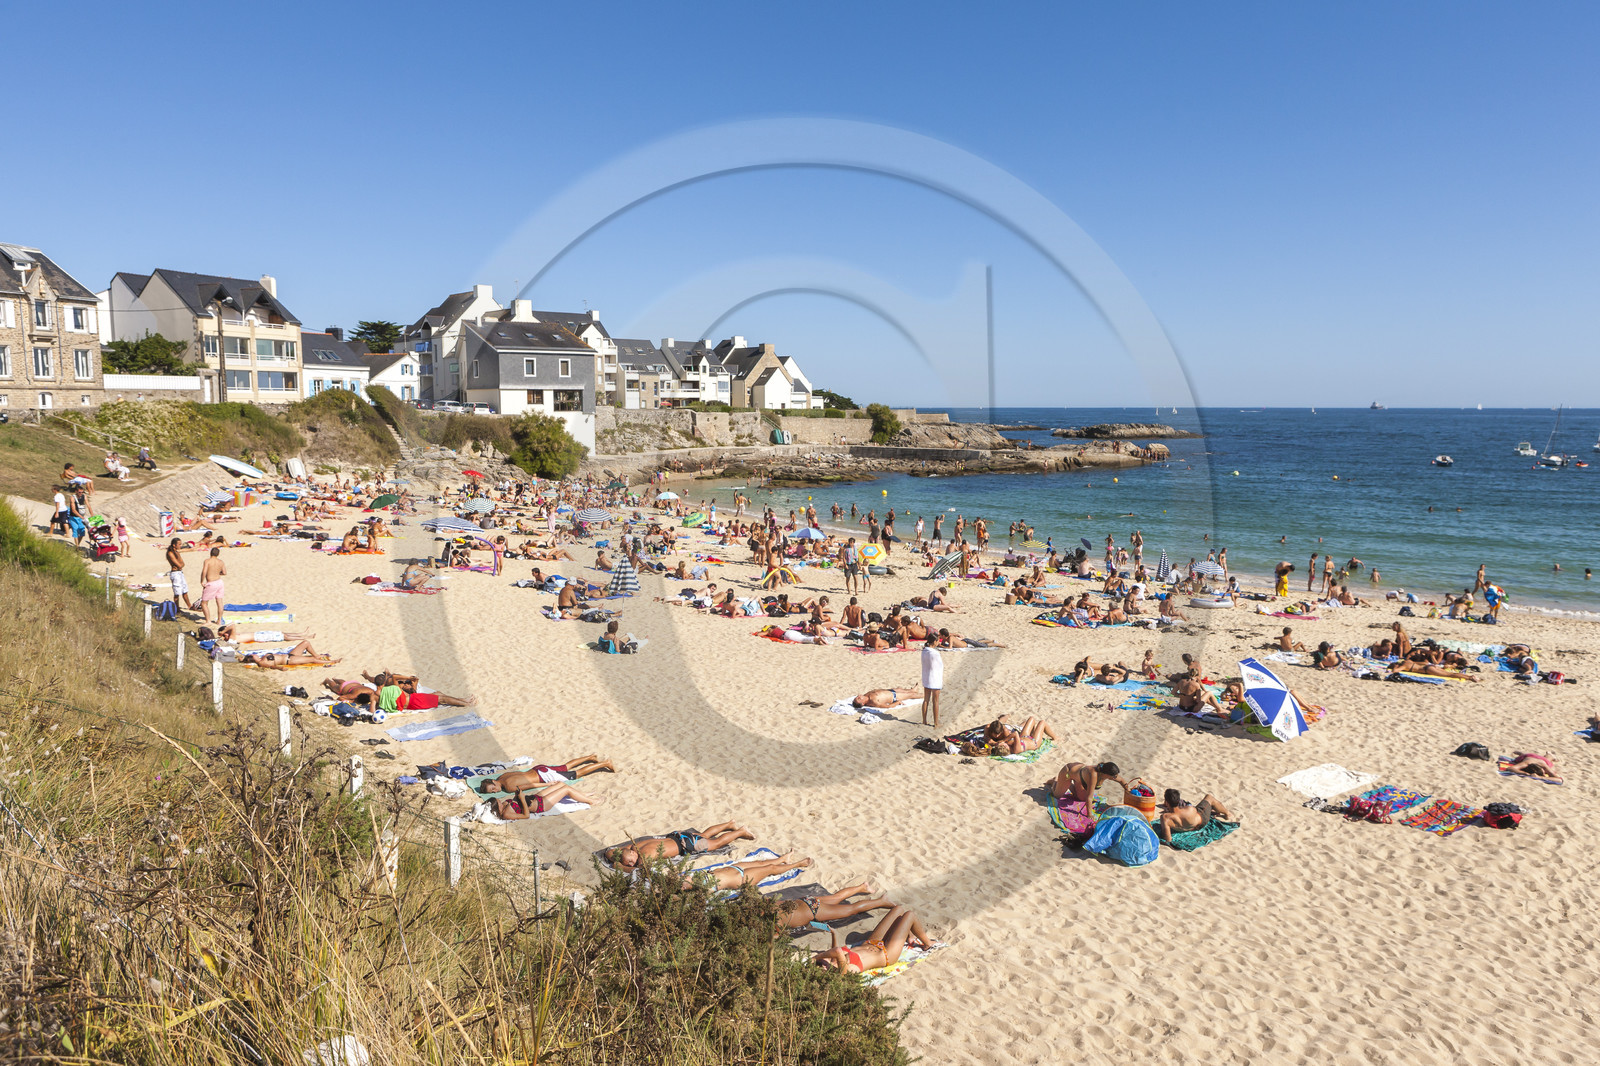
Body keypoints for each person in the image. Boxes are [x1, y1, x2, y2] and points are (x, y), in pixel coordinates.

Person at [812, 905, 932, 974]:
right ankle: (927, 943)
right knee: (909, 915)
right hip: (886, 954)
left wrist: (833, 933)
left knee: (898, 909)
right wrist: (815, 958)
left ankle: (910, 935)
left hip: (871, 942)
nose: (823, 966)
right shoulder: (843, 972)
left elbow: (834, 950)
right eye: (822, 969)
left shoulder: (831, 960)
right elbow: (838, 951)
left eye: (820, 965)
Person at [604, 823, 756, 871]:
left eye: (630, 861)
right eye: (628, 863)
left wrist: (619, 866)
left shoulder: (644, 855)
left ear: (632, 853)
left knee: (716, 844)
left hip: (688, 845)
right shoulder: (634, 846)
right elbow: (609, 852)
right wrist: (619, 858)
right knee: (703, 835)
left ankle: (740, 831)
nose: (631, 863)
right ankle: (729, 824)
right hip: (678, 836)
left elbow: (642, 871)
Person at [778, 883, 897, 930]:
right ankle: (862, 887)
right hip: (803, 901)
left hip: (814, 911)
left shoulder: (773, 922)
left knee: (852, 909)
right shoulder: (767, 904)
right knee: (835, 898)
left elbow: (777, 935)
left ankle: (882, 901)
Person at [476, 756, 616, 793]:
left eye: (492, 788)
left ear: (493, 782)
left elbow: (530, 785)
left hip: (543, 777)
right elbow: (519, 773)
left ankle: (605, 763)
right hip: (538, 769)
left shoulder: (508, 787)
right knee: (565, 766)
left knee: (576, 774)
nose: (495, 791)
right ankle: (590, 756)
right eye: (493, 792)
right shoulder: (502, 777)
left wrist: (547, 784)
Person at [492, 781, 606, 820]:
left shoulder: (505, 807)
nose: (501, 803)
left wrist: (517, 797)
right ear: (497, 808)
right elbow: (526, 815)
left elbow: (517, 804)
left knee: (561, 784)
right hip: (541, 805)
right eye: (499, 803)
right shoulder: (506, 814)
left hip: (535, 797)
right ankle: (591, 802)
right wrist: (521, 799)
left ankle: (582, 795)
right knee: (566, 789)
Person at [1155, 788, 1237, 843]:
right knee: (1209, 797)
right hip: (1201, 822)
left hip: (1186, 829)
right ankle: (1227, 813)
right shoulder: (1189, 809)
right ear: (1178, 800)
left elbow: (1168, 839)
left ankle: (1225, 813)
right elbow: (1197, 812)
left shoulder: (1165, 818)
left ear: (1167, 802)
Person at [1050, 761, 1127, 801]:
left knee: (1081, 798)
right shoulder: (1093, 775)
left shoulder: (1108, 773)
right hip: (1068, 771)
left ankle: (1067, 784)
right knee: (1056, 796)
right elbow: (1089, 798)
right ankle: (1055, 781)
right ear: (1106, 774)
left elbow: (1122, 781)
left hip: (1079, 775)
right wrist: (1090, 815)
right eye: (1113, 776)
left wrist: (1128, 790)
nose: (1115, 778)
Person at [919, 635, 943, 728]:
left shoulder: (924, 651)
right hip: (935, 677)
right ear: (935, 641)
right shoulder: (934, 653)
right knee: (935, 701)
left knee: (926, 699)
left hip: (926, 676)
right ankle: (936, 723)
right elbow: (939, 665)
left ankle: (924, 720)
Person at [165, 537, 194, 613]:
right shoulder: (170, 553)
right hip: (175, 573)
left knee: (185, 590)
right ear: (174, 545)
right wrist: (180, 565)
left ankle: (189, 605)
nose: (180, 545)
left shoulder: (176, 552)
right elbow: (179, 564)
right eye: (179, 544)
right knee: (177, 592)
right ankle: (177, 608)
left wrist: (180, 565)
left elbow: (182, 564)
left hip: (180, 572)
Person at [199, 546, 227, 624]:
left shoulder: (207, 561)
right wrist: (217, 572)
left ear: (210, 553)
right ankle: (219, 620)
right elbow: (224, 572)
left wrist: (202, 581)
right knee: (219, 602)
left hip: (211, 583)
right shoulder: (221, 562)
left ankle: (208, 620)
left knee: (204, 603)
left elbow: (204, 571)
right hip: (219, 582)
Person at [850, 684, 925, 709]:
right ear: (863, 704)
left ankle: (913, 690)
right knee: (912, 695)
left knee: (902, 689)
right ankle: (927, 694)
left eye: (857, 697)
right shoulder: (874, 702)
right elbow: (888, 706)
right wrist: (897, 702)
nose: (858, 696)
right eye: (858, 699)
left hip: (890, 691)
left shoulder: (865, 695)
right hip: (894, 697)